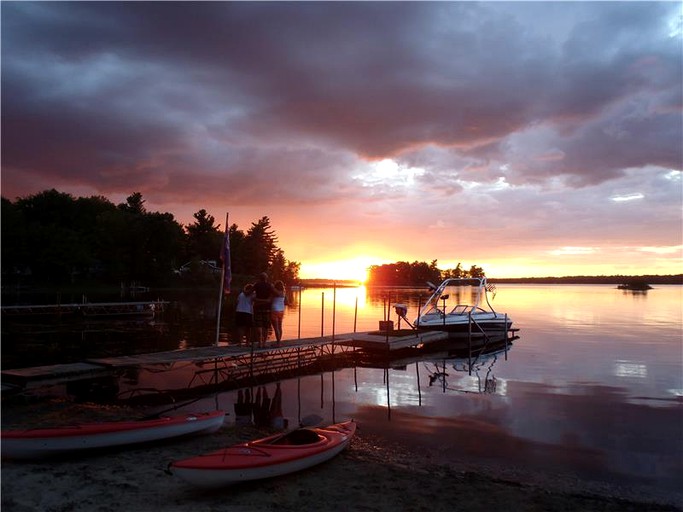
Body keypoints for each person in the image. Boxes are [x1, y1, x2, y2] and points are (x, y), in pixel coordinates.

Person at [253, 272, 274, 347]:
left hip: (258, 308)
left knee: (259, 326)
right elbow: (274, 294)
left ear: (260, 278)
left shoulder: (256, 285)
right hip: (267, 308)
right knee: (266, 326)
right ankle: (264, 343)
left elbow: (249, 293)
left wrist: (257, 299)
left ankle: (259, 342)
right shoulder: (270, 285)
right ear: (266, 278)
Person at [270, 280, 286, 345]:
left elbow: (270, 299)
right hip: (281, 311)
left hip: (274, 310)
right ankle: (278, 341)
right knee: (280, 327)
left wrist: (271, 286)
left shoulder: (275, 292)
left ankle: (278, 342)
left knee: (276, 328)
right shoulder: (284, 292)